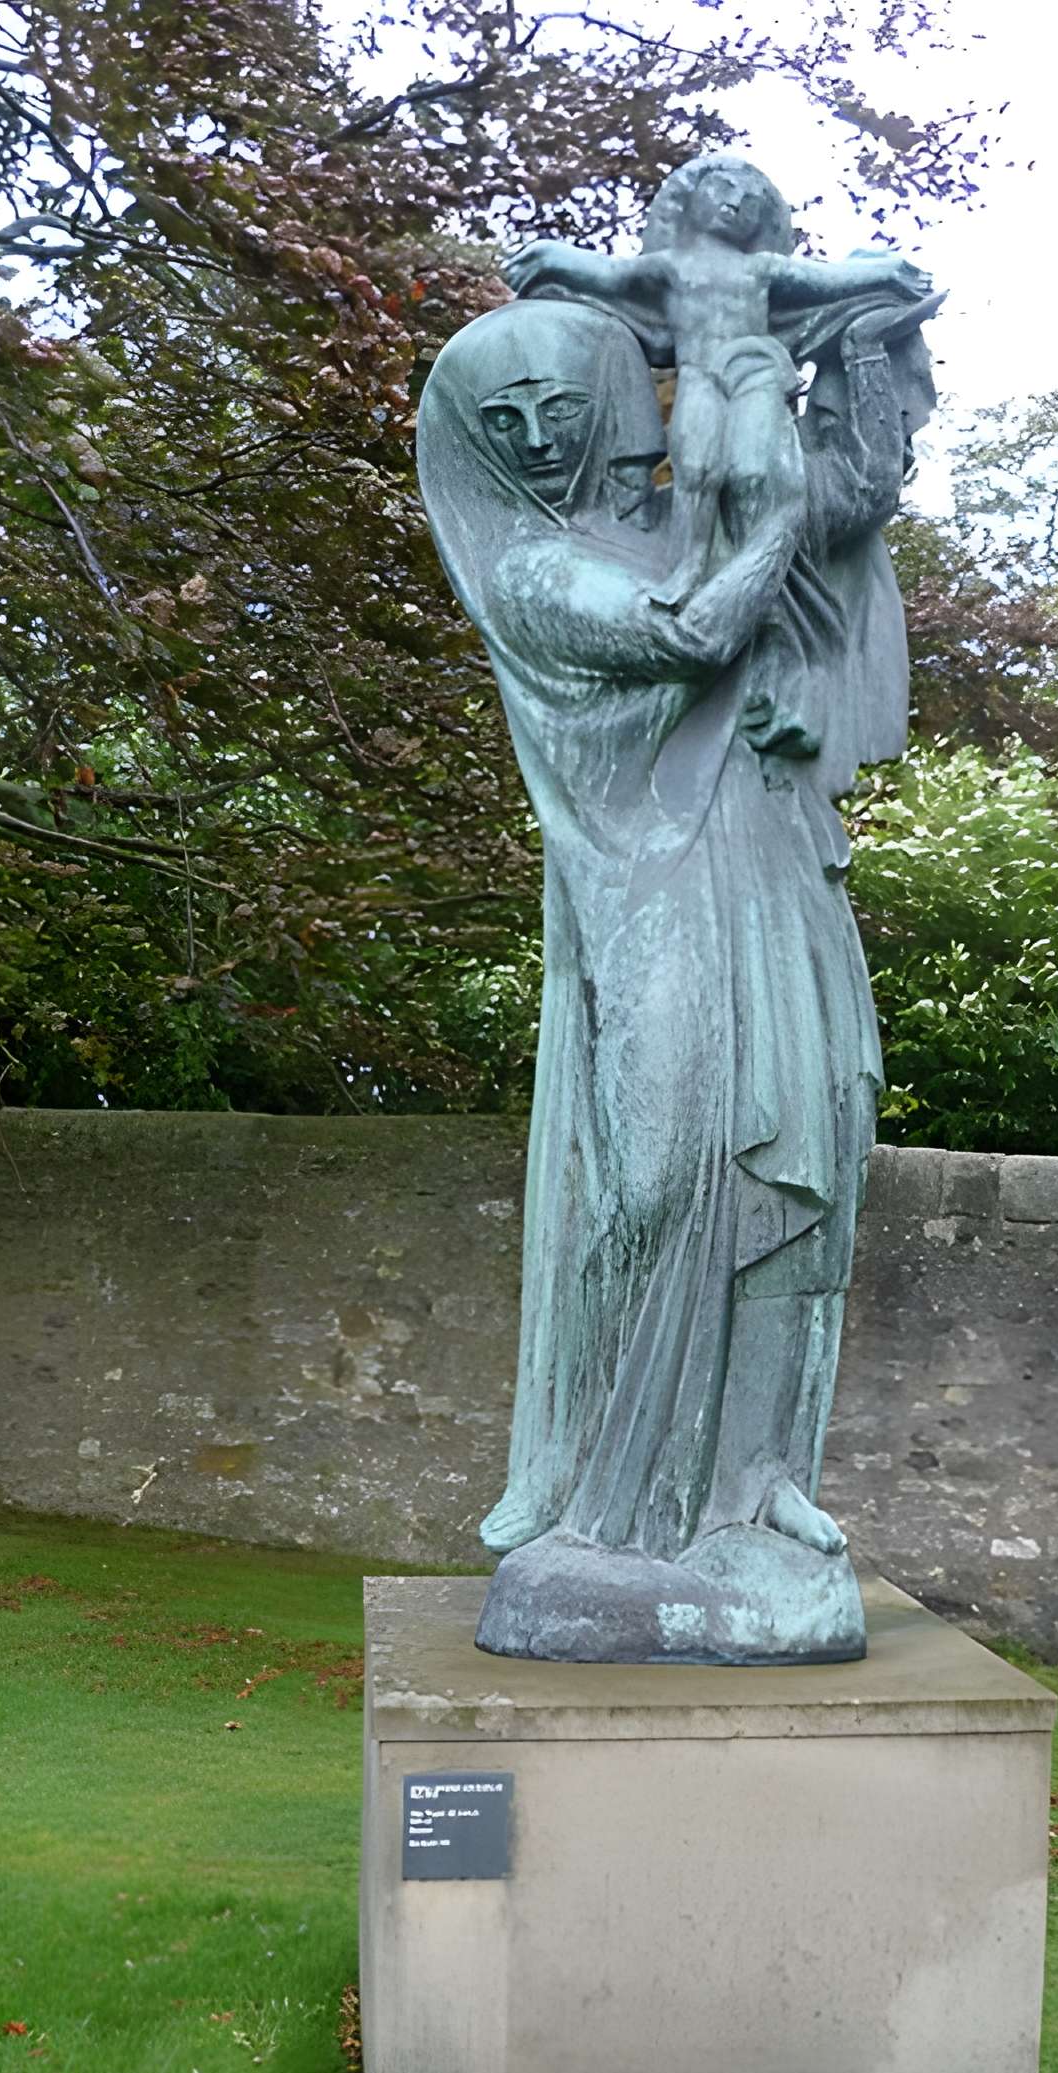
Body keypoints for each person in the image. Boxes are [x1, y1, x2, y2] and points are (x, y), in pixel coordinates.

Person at [416, 287, 930, 1662]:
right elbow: (699, 631)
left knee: (795, 1176)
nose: (531, 441)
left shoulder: (691, 507)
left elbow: (861, 486)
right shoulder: (532, 570)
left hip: (767, 873)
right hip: (649, 894)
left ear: (613, 405)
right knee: (655, 1178)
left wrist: (859, 341)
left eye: (557, 409)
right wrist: (776, 486)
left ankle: (754, 1488)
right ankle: (608, 1500)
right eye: (500, 421)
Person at [506, 154, 929, 610]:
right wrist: (556, 257)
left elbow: (825, 280)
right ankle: (688, 571)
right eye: (723, 191)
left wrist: (883, 271)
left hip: (753, 373)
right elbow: (609, 275)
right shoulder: (670, 265)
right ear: (693, 201)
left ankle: (760, 573)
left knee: (756, 471)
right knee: (695, 469)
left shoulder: (761, 268)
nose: (735, 203)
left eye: (748, 201)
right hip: (701, 378)